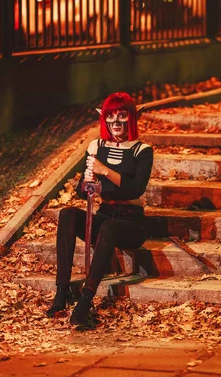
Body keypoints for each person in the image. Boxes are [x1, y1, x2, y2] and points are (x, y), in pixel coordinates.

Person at [46, 92, 153, 327]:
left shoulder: (142, 151)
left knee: (109, 226)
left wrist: (104, 171)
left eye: (122, 116)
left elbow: (135, 189)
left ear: (132, 118)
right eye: (110, 116)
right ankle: (62, 292)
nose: (115, 122)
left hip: (131, 223)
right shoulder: (96, 147)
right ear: (103, 119)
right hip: (105, 216)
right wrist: (87, 183)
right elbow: (82, 192)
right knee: (68, 214)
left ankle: (85, 302)